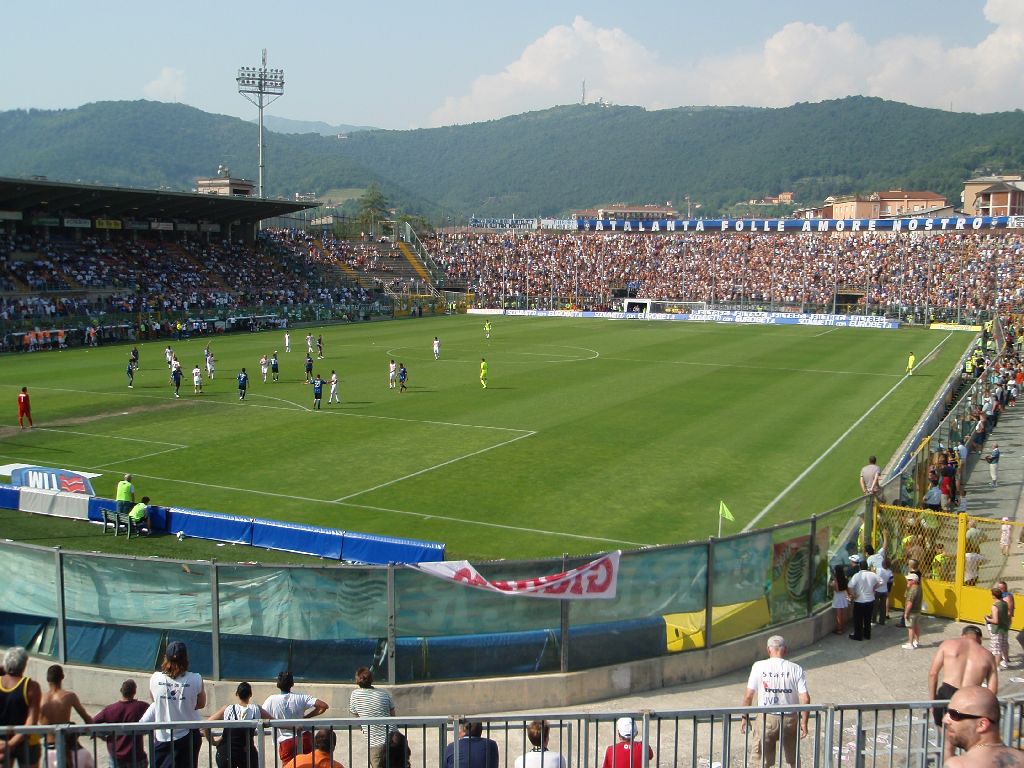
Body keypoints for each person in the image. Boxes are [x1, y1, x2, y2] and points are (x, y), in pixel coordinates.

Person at [928, 625, 999, 760]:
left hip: (946, 694)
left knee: (948, 743)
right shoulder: (987, 655)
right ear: (980, 639)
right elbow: (992, 690)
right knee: (975, 743)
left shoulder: (948, 644)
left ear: (963, 635)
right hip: (970, 699)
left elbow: (933, 674)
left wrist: (932, 702)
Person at [740, 635, 809, 768]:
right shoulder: (796, 668)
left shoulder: (759, 666)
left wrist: (745, 717)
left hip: (766, 717)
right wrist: (804, 722)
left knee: (761, 761)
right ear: (785, 650)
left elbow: (748, 696)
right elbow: (805, 698)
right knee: (793, 760)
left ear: (768, 649)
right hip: (790, 718)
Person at [146, 640, 206, 768]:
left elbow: (154, 699)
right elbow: (200, 704)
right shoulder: (196, 678)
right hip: (187, 737)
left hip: (163, 737)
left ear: (165, 658)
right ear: (186, 658)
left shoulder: (155, 678)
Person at [942, 685, 1024, 768]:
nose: (944, 720)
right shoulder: (1021, 759)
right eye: (947, 712)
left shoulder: (958, 765)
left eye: (954, 715)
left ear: (982, 725)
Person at [262, 671, 328, 764]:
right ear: (292, 683)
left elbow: (261, 714)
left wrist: (273, 721)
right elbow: (323, 706)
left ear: (278, 684)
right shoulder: (301, 697)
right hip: (304, 738)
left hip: (286, 742)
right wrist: (306, 717)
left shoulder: (271, 700)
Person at [205, 681, 271, 768]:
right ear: (250, 694)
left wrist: (214, 742)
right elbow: (275, 721)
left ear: (237, 694)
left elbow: (206, 725)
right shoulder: (256, 709)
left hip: (226, 753)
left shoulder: (227, 709)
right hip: (246, 754)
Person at [92, 679, 149, 768]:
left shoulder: (110, 709)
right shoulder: (142, 706)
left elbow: (92, 722)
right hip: (136, 756)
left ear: (121, 691)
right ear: (134, 692)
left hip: (116, 756)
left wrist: (102, 736)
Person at [0, 646, 42, 768]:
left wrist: (6, 744)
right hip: (27, 742)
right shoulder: (31, 687)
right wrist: (12, 743)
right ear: (24, 665)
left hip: (1, 741)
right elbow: (31, 721)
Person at [349, 667, 395, 768]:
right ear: (372, 680)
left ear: (357, 681)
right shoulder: (384, 693)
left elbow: (356, 714)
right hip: (395, 739)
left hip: (376, 743)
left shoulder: (355, 695)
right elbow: (393, 715)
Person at [40, 665, 91, 741]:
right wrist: (97, 733)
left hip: (49, 745)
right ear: (62, 677)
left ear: (47, 679)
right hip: (65, 745)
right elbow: (86, 718)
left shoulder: (40, 698)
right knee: (86, 753)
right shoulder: (69, 696)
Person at [846, 556, 881, 641]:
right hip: (870, 600)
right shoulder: (873, 575)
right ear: (867, 567)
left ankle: (858, 636)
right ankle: (867, 634)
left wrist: (853, 595)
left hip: (860, 600)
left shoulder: (857, 576)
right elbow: (881, 582)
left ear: (860, 567)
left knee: (858, 619)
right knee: (867, 619)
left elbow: (850, 586)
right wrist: (874, 588)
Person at [984, 585, 1010, 669]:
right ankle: (1006, 662)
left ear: (993, 596)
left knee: (997, 649)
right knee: (1004, 645)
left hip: (997, 629)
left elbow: (995, 621)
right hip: (1004, 628)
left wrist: (987, 618)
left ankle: (996, 667)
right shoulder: (1005, 603)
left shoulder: (995, 606)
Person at [902, 572, 923, 649]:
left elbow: (909, 603)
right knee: (916, 626)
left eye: (909, 580)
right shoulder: (919, 588)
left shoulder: (912, 590)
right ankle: (916, 641)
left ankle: (910, 644)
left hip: (912, 612)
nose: (907, 581)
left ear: (914, 581)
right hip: (917, 611)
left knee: (910, 628)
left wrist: (906, 613)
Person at [829, 564, 849, 635]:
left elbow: (837, 590)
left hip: (838, 597)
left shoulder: (836, 579)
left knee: (838, 615)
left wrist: (832, 585)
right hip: (843, 596)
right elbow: (846, 587)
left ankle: (839, 629)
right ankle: (842, 627)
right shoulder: (845, 578)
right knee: (842, 614)